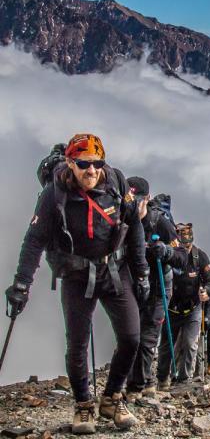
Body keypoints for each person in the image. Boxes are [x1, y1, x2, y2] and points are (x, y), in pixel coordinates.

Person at [5, 134, 149, 434]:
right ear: (70, 163)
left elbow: (133, 224)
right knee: (78, 344)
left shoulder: (117, 183)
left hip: (114, 270)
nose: (92, 171)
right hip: (75, 275)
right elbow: (35, 240)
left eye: (97, 164)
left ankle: (112, 398)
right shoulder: (53, 195)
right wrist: (22, 284)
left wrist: (142, 271)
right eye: (84, 164)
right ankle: (84, 405)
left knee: (132, 337)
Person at [125, 177, 187, 403]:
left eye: (138, 199)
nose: (134, 203)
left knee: (147, 337)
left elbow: (182, 257)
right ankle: (145, 381)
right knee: (129, 336)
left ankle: (137, 386)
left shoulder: (160, 223)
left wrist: (166, 252)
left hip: (159, 286)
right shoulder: (122, 219)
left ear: (147, 198)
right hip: (131, 285)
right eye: (129, 198)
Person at [156, 223, 210, 389]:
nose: (185, 247)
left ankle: (184, 380)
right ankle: (162, 379)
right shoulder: (170, 254)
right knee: (167, 345)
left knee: (190, 344)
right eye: (182, 243)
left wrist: (207, 292)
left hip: (193, 309)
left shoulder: (200, 257)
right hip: (171, 309)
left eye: (188, 244)